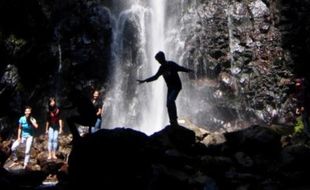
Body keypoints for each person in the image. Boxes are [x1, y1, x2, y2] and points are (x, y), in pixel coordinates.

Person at [137, 51, 193, 126]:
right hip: (170, 88)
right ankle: (172, 121)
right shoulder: (161, 68)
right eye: (157, 60)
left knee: (170, 100)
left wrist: (189, 70)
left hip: (177, 86)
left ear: (163, 58)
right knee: (168, 104)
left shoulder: (171, 64)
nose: (158, 61)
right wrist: (144, 81)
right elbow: (155, 77)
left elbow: (180, 68)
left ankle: (174, 121)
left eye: (159, 60)